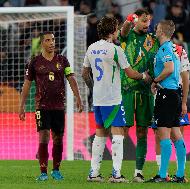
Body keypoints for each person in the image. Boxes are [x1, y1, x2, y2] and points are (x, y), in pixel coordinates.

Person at [82, 16, 151, 183]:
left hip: (97, 100)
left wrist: (95, 88)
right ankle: (116, 174)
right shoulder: (115, 50)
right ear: (113, 31)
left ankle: (94, 173)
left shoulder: (91, 48)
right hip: (113, 99)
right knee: (118, 134)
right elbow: (130, 73)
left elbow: (85, 74)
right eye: (116, 29)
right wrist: (144, 76)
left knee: (100, 134)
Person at [19, 31, 83, 181]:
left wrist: (78, 97)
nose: (51, 42)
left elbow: (71, 78)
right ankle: (43, 172)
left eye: (53, 39)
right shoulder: (34, 62)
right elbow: (27, 85)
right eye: (48, 40)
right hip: (42, 106)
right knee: (44, 136)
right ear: (42, 43)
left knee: (58, 138)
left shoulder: (63, 60)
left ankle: (56, 170)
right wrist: (21, 105)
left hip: (59, 106)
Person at [119, 8, 159, 182]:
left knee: (142, 132)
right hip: (127, 90)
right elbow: (123, 31)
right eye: (144, 20)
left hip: (146, 92)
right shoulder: (127, 37)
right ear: (136, 21)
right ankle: (116, 171)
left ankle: (138, 172)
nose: (147, 24)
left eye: (149, 21)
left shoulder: (153, 40)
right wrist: (128, 21)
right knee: (123, 131)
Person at [148, 20, 186, 183]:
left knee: (163, 134)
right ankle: (180, 175)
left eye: (156, 29)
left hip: (167, 95)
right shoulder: (173, 48)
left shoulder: (164, 48)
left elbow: (169, 68)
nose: (154, 31)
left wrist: (155, 81)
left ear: (162, 31)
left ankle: (163, 175)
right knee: (176, 133)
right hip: (175, 94)